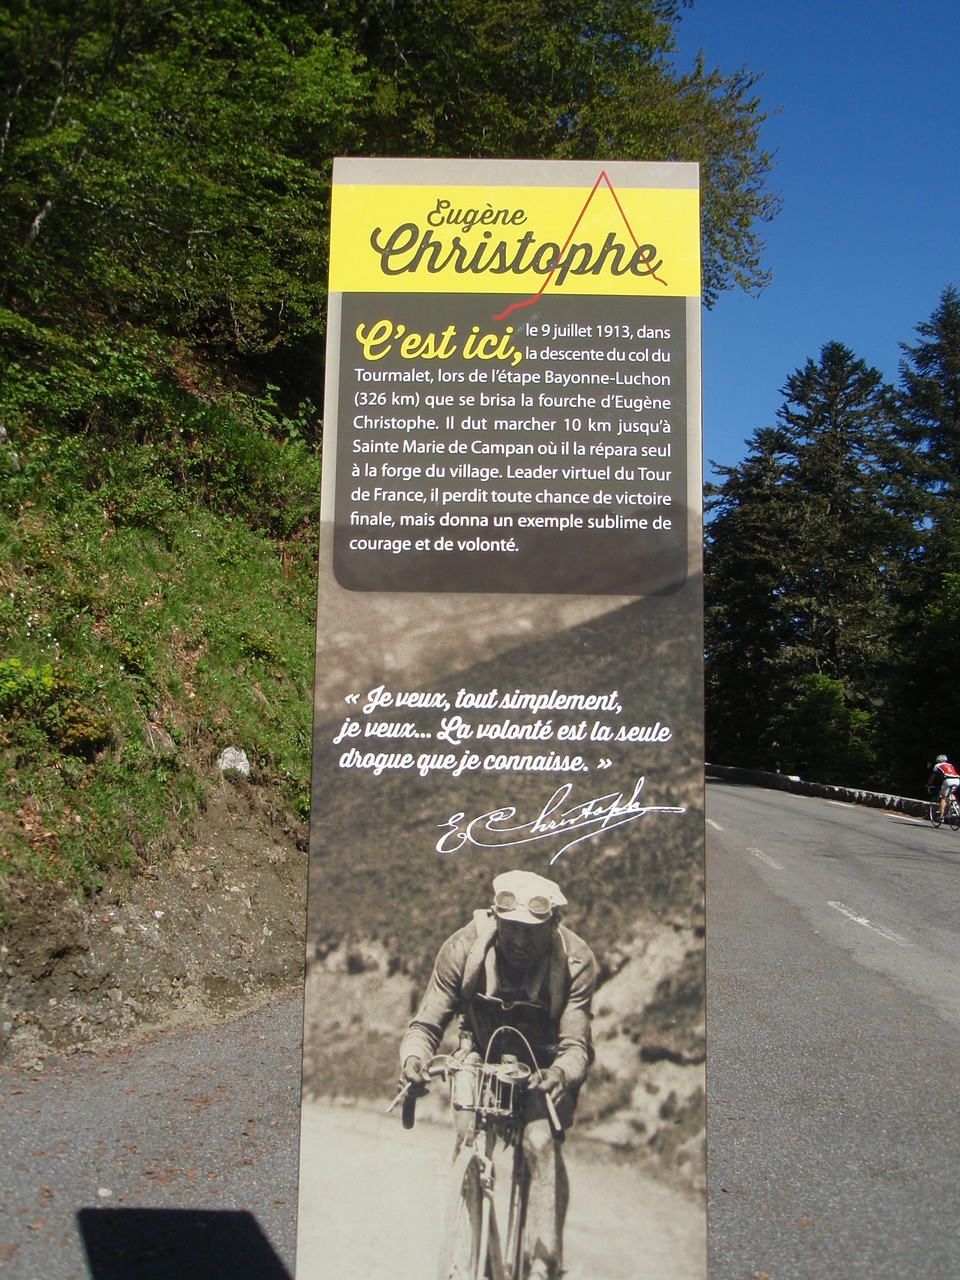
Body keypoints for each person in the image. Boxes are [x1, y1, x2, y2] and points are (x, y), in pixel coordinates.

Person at [399, 869, 597, 1280]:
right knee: (467, 1133)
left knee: (540, 1142)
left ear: (553, 925)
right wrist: (413, 1063)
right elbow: (425, 1025)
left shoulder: (576, 961)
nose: (520, 942)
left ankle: (545, 1263)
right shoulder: (461, 948)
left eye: (532, 931)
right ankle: (472, 1248)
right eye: (510, 929)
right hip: (479, 1052)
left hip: (543, 1065)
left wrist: (560, 1074)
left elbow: (576, 1045)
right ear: (495, 919)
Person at [927, 754, 960, 820]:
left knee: (943, 797)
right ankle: (955, 806)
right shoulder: (950, 765)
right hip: (957, 780)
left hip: (948, 780)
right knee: (950, 793)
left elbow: (933, 777)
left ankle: (941, 816)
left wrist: (928, 784)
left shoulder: (937, 765)